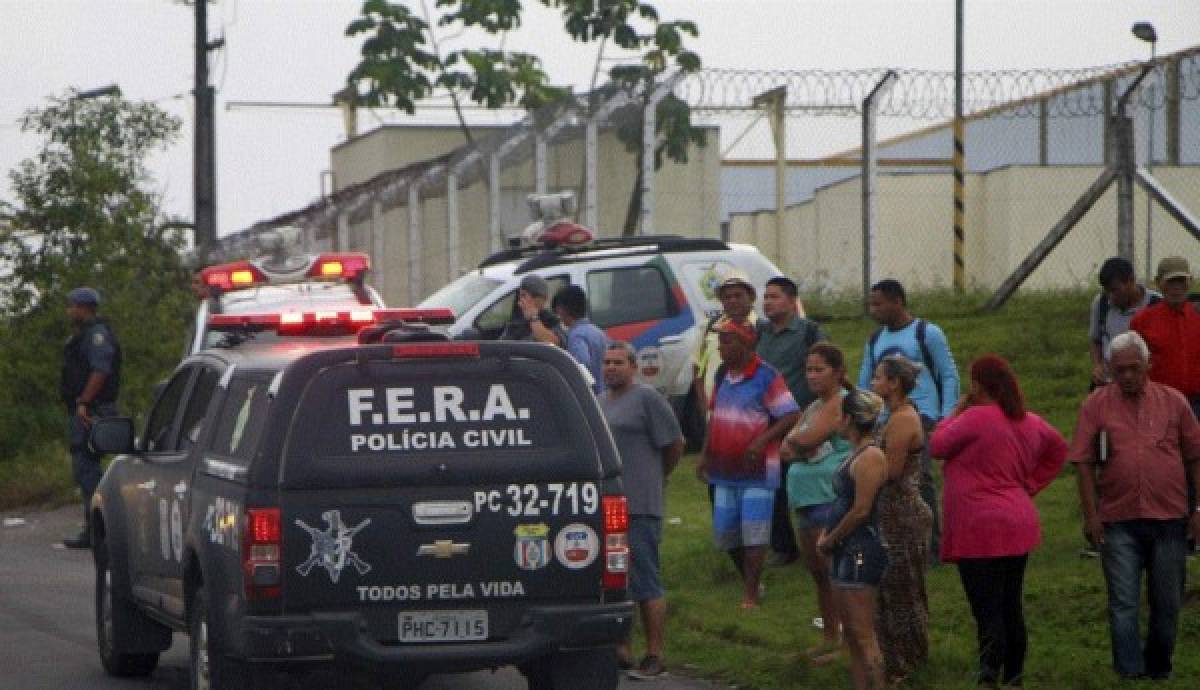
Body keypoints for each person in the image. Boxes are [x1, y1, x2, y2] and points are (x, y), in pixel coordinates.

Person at [929, 355, 1068, 687]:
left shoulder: (975, 418)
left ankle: (988, 675)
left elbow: (936, 444)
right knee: (1010, 605)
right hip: (1017, 521)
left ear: (977, 384)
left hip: (979, 526)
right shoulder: (1028, 420)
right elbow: (1059, 449)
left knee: (986, 607)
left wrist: (958, 409)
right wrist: (1030, 485)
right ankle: (1014, 677)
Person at [1069, 332, 1200, 681]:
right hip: (1118, 518)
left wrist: (1198, 509)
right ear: (1110, 368)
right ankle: (1129, 671)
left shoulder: (1174, 402)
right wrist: (1091, 515)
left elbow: (1195, 457)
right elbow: (1083, 461)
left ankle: (1159, 667)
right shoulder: (1096, 405)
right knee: (1123, 601)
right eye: (1120, 369)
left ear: (1148, 366)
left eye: (1134, 368)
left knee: (1167, 601)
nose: (1127, 375)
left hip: (1169, 517)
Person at [696, 318, 801, 609]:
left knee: (754, 533)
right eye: (720, 341)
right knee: (726, 534)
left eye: (728, 341)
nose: (721, 347)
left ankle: (751, 594)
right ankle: (752, 581)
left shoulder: (767, 376)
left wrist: (761, 440)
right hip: (724, 468)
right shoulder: (722, 375)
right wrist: (705, 453)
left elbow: (791, 415)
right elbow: (714, 415)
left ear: (746, 343)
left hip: (757, 471)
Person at [598, 341, 684, 679]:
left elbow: (675, 443)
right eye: (606, 362)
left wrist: (658, 477)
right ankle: (622, 648)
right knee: (617, 579)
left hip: (641, 505)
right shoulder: (600, 402)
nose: (611, 368)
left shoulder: (647, 398)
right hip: (610, 505)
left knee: (646, 578)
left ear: (633, 366)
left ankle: (655, 653)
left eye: (618, 362)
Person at [858, 279, 959, 564]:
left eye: (879, 304)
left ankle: (932, 547)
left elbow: (949, 374)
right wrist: (863, 416)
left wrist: (946, 416)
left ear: (897, 302)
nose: (874, 310)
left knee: (919, 479)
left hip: (922, 416)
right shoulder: (875, 339)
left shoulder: (927, 333)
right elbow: (865, 381)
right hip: (884, 419)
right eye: (871, 304)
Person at [780, 342, 851, 662]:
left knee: (836, 570)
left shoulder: (843, 402)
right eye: (808, 369)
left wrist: (799, 443)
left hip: (828, 494)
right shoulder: (812, 407)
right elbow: (785, 448)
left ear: (837, 373)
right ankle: (829, 636)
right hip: (805, 498)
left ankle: (850, 641)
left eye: (819, 369)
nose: (811, 376)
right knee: (818, 572)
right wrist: (798, 443)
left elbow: (803, 439)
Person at [817, 389, 889, 690]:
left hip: (860, 548)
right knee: (854, 639)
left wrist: (831, 536)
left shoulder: (871, 456)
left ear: (849, 418)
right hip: (845, 548)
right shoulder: (856, 454)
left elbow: (861, 510)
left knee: (863, 634)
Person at [869, 355, 933, 684]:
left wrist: (860, 471)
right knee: (888, 592)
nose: (872, 382)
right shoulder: (891, 415)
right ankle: (893, 660)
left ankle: (910, 662)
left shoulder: (902, 419)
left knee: (904, 591)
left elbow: (891, 471)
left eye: (878, 377)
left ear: (893, 383)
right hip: (889, 513)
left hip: (902, 515)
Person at [757, 275, 825, 567]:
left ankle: (820, 541)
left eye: (774, 296)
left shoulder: (808, 332)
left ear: (791, 300)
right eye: (766, 297)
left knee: (809, 483)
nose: (768, 302)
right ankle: (784, 548)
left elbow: (827, 367)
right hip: (768, 423)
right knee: (774, 486)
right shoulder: (761, 334)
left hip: (803, 421)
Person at [59, 287, 121, 549]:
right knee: (86, 468)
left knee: (87, 469)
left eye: (72, 306)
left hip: (92, 409)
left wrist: (84, 401)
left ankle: (98, 529)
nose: (69, 311)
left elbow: (100, 371)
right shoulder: (85, 335)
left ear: (83, 307)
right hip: (87, 408)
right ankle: (96, 527)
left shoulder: (96, 336)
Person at [1130, 256, 1200, 418]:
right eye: (1171, 282)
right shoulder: (1142, 321)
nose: (1177, 288)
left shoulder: (1197, 316)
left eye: (1181, 281)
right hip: (1159, 402)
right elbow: (1134, 363)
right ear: (1158, 283)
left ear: (1189, 282)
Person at [1088, 257, 1160, 389]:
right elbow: (1095, 340)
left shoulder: (1156, 304)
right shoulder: (1101, 303)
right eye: (1107, 291)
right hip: (1108, 383)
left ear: (1131, 281)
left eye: (1115, 290)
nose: (1111, 296)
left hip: (1144, 384)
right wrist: (1097, 366)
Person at [552, 284, 608, 394]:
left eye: (557, 311)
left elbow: (582, 365)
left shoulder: (576, 335)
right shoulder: (597, 331)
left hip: (592, 396)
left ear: (562, 309)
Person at [499, 274, 565, 346]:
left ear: (543, 299)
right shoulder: (516, 320)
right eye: (522, 296)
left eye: (533, 296)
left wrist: (533, 318)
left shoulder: (551, 320)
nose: (523, 300)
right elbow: (502, 346)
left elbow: (555, 344)